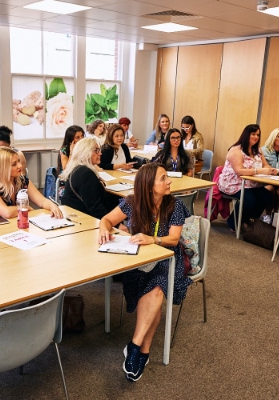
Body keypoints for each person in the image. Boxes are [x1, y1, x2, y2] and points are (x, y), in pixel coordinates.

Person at [98, 163, 191, 382]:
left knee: (158, 288)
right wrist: (103, 229)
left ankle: (136, 346)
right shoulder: (133, 202)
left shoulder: (174, 205)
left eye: (167, 177)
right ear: (149, 186)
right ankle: (142, 352)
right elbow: (107, 219)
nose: (169, 181)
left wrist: (153, 239)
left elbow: (174, 239)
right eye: (163, 178)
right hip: (140, 259)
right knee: (154, 295)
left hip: (168, 258)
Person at [218, 124, 276, 231]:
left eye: (258, 135)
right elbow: (239, 171)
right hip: (233, 183)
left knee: (267, 196)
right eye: (253, 134)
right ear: (246, 135)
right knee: (250, 199)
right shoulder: (236, 150)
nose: (256, 137)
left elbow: (265, 165)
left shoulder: (258, 150)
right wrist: (259, 171)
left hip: (251, 184)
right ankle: (233, 222)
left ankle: (248, 220)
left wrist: (270, 170)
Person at [0, 146, 62, 219]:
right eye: (14, 164)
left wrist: (52, 206)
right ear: (2, 169)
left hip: (17, 225)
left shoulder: (22, 181)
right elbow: (6, 213)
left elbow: (42, 201)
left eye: (19, 161)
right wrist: (26, 208)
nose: (20, 166)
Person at [60, 137, 119, 219]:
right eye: (96, 150)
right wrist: (115, 223)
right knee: (128, 205)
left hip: (77, 216)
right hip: (87, 219)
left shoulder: (77, 168)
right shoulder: (85, 173)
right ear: (85, 153)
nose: (100, 153)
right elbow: (95, 208)